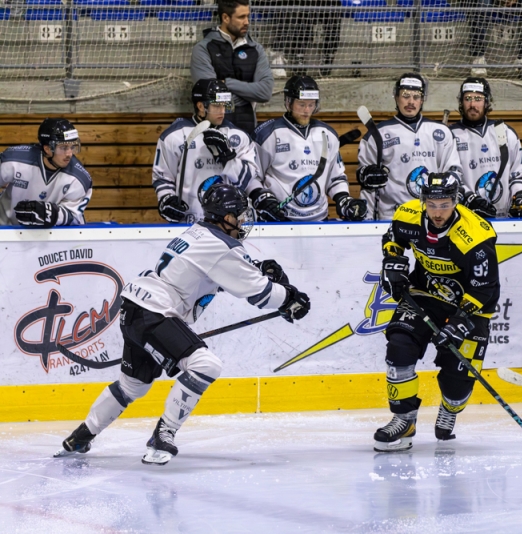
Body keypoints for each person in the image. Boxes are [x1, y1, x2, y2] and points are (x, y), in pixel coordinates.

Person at [55, 183, 311, 465]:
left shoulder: (199, 233)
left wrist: (257, 269)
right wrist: (292, 297)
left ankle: (80, 436)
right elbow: (261, 295)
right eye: (239, 214)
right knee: (206, 365)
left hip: (134, 310)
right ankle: (163, 434)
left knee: (132, 387)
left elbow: (213, 275)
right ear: (226, 217)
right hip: (155, 312)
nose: (242, 221)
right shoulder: (222, 246)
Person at [374, 172, 500, 451]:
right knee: (399, 346)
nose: (438, 212)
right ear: (423, 202)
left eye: (445, 204)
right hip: (425, 294)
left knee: (458, 383)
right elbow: (393, 237)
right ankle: (404, 419)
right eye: (432, 204)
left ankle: (450, 409)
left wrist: (459, 322)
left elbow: (484, 288)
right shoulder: (408, 214)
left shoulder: (476, 236)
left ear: (456, 201)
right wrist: (393, 261)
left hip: (470, 306)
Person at [253, 75, 365, 222]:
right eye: (301, 104)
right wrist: (264, 200)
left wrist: (343, 199)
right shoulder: (267, 134)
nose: (307, 110)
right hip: (281, 221)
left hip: (319, 220)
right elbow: (253, 176)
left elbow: (336, 177)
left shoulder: (328, 134)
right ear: (288, 103)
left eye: (311, 104)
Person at [153, 79, 262, 224]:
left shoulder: (239, 136)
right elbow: (163, 177)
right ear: (200, 106)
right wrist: (166, 199)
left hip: (228, 224)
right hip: (189, 221)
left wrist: (228, 160)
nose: (222, 111)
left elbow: (247, 179)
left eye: (224, 105)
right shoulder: (174, 136)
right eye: (216, 106)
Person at [357, 73, 463, 221]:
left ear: (422, 99)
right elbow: (363, 176)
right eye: (405, 95)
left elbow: (454, 172)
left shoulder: (441, 132)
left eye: (416, 96)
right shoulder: (378, 133)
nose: (411, 101)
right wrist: (366, 174)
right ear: (396, 96)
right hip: (391, 217)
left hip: (431, 216)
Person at [449, 77, 522, 219]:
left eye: (478, 98)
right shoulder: (451, 135)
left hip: (504, 219)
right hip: (465, 219)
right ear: (461, 102)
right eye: (468, 98)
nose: (472, 104)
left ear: (487, 102)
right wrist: (469, 198)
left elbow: (517, 175)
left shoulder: (504, 131)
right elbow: (449, 178)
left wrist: (520, 195)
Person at [191, 0, 274, 135]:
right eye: (241, 17)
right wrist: (248, 95)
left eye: (248, 16)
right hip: (211, 131)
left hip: (247, 130)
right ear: (225, 18)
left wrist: (226, 83)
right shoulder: (203, 48)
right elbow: (210, 94)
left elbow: (265, 92)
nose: (247, 22)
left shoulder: (256, 49)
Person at [0, 118, 92, 227]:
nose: (69, 154)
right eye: (63, 147)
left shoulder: (80, 178)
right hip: (5, 228)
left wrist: (51, 214)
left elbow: (74, 215)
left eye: (72, 147)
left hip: (50, 236)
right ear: (48, 149)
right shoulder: (13, 160)